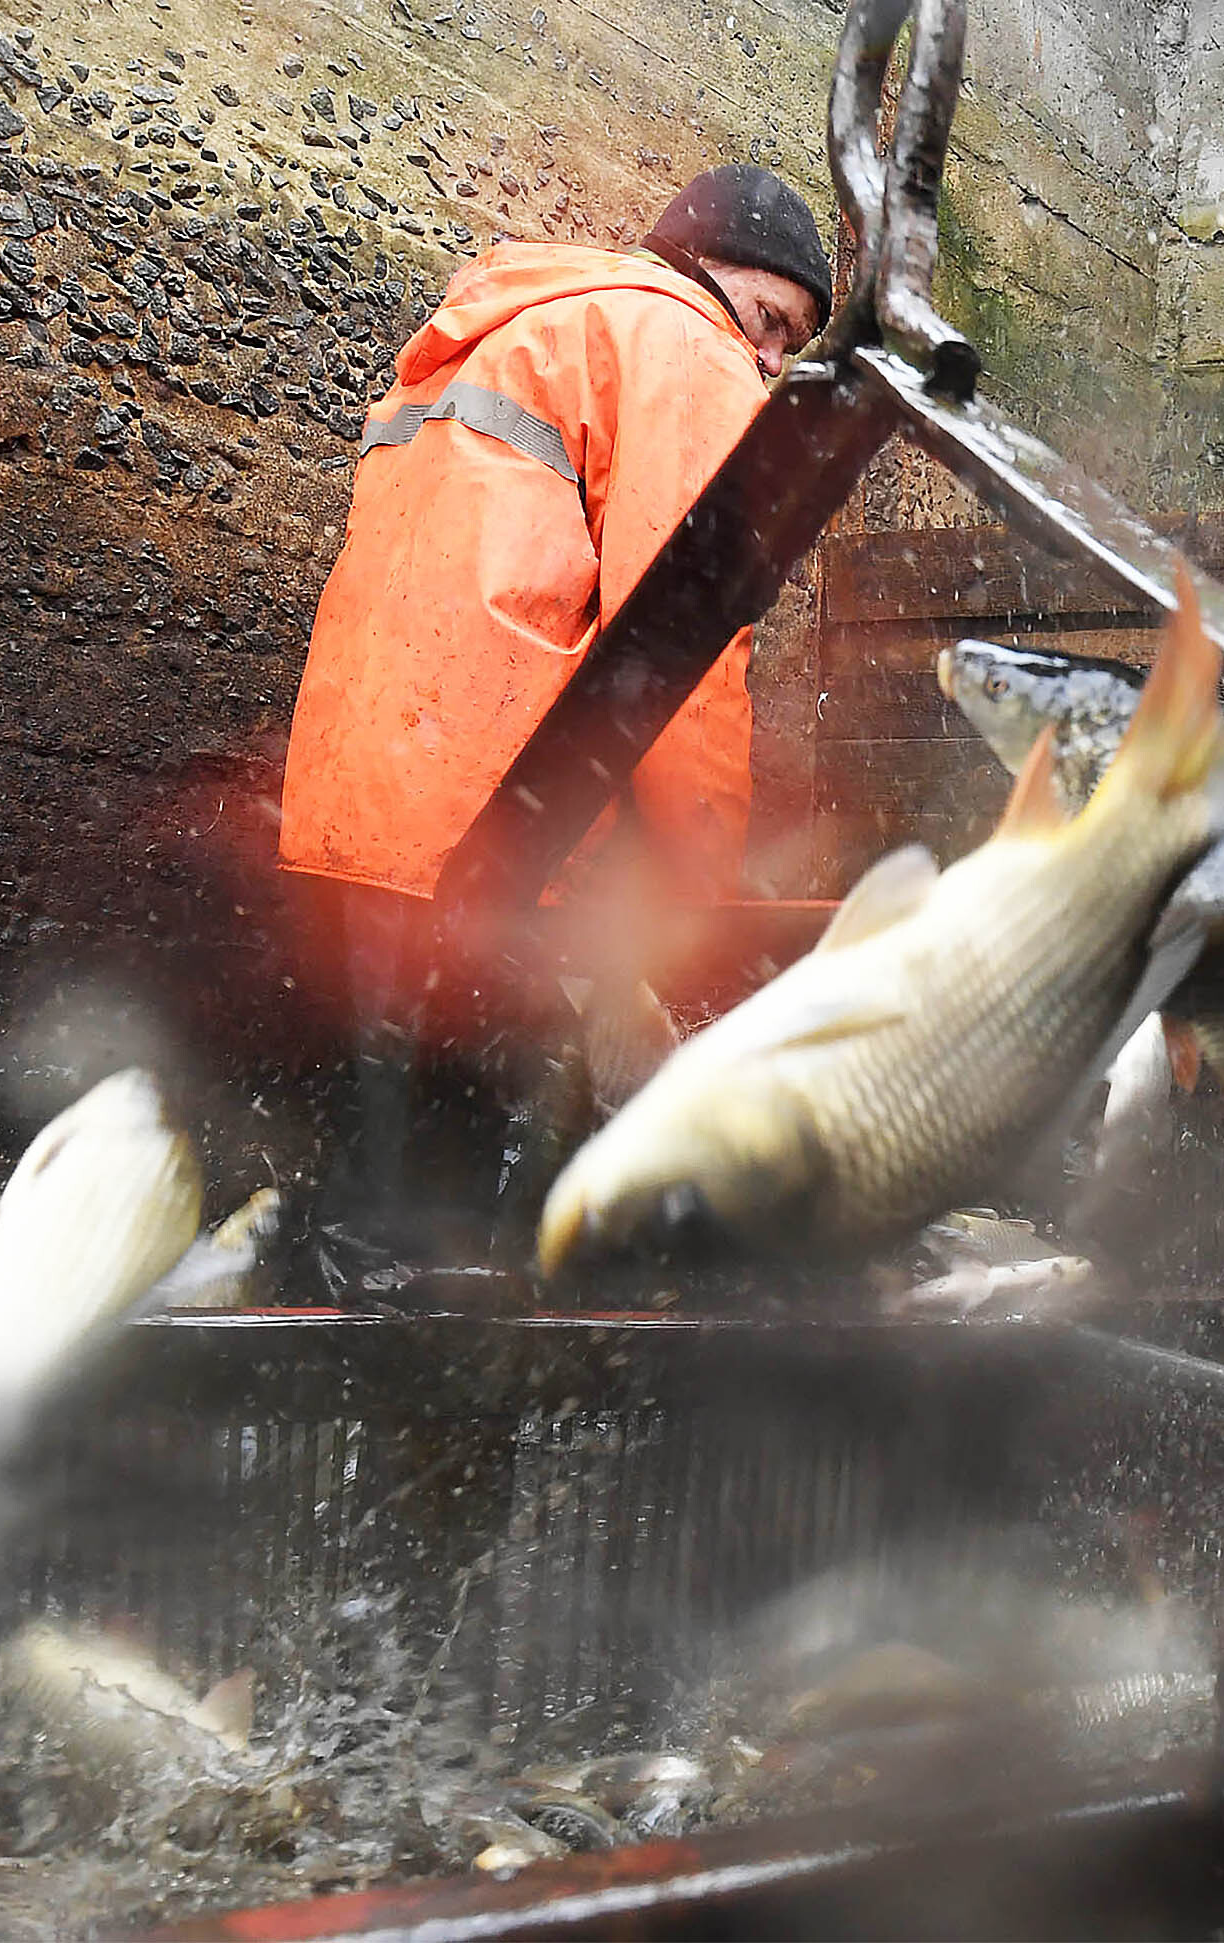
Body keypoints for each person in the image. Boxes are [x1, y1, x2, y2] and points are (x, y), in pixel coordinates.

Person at [272, 166, 834, 1276]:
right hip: (492, 828)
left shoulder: (514, 326)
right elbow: (685, 635)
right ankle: (460, 1411)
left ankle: (345, 1401)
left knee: (380, 1184)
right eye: (771, 321)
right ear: (703, 271)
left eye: (791, 348)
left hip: (357, 806)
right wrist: (700, 896)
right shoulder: (681, 343)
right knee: (473, 1222)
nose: (769, 363)